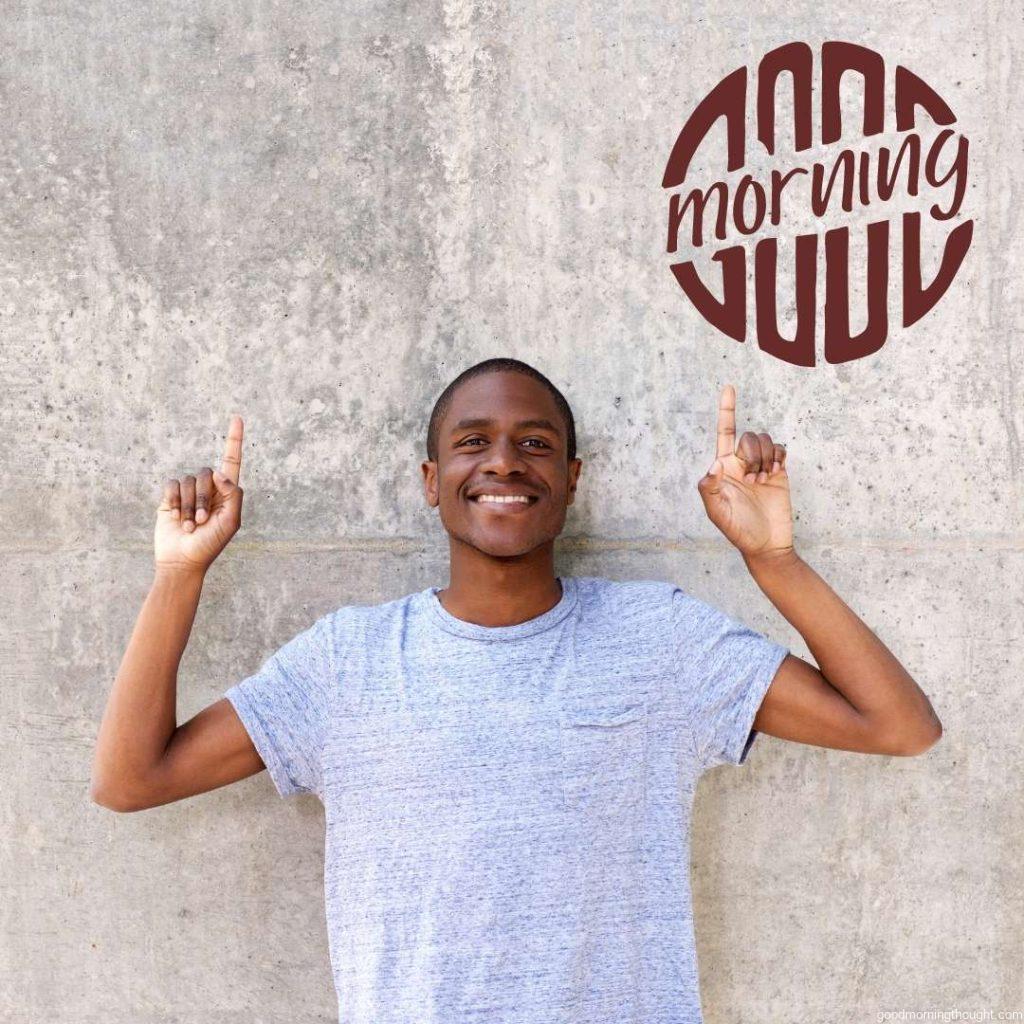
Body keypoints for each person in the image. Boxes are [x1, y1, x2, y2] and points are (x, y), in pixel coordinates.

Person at [90, 357, 942, 1024]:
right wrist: (178, 576)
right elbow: (131, 780)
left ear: (572, 478)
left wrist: (773, 560)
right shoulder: (346, 662)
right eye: (472, 441)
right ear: (431, 481)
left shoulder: (662, 641)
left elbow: (897, 726)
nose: (504, 460)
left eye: (535, 442)